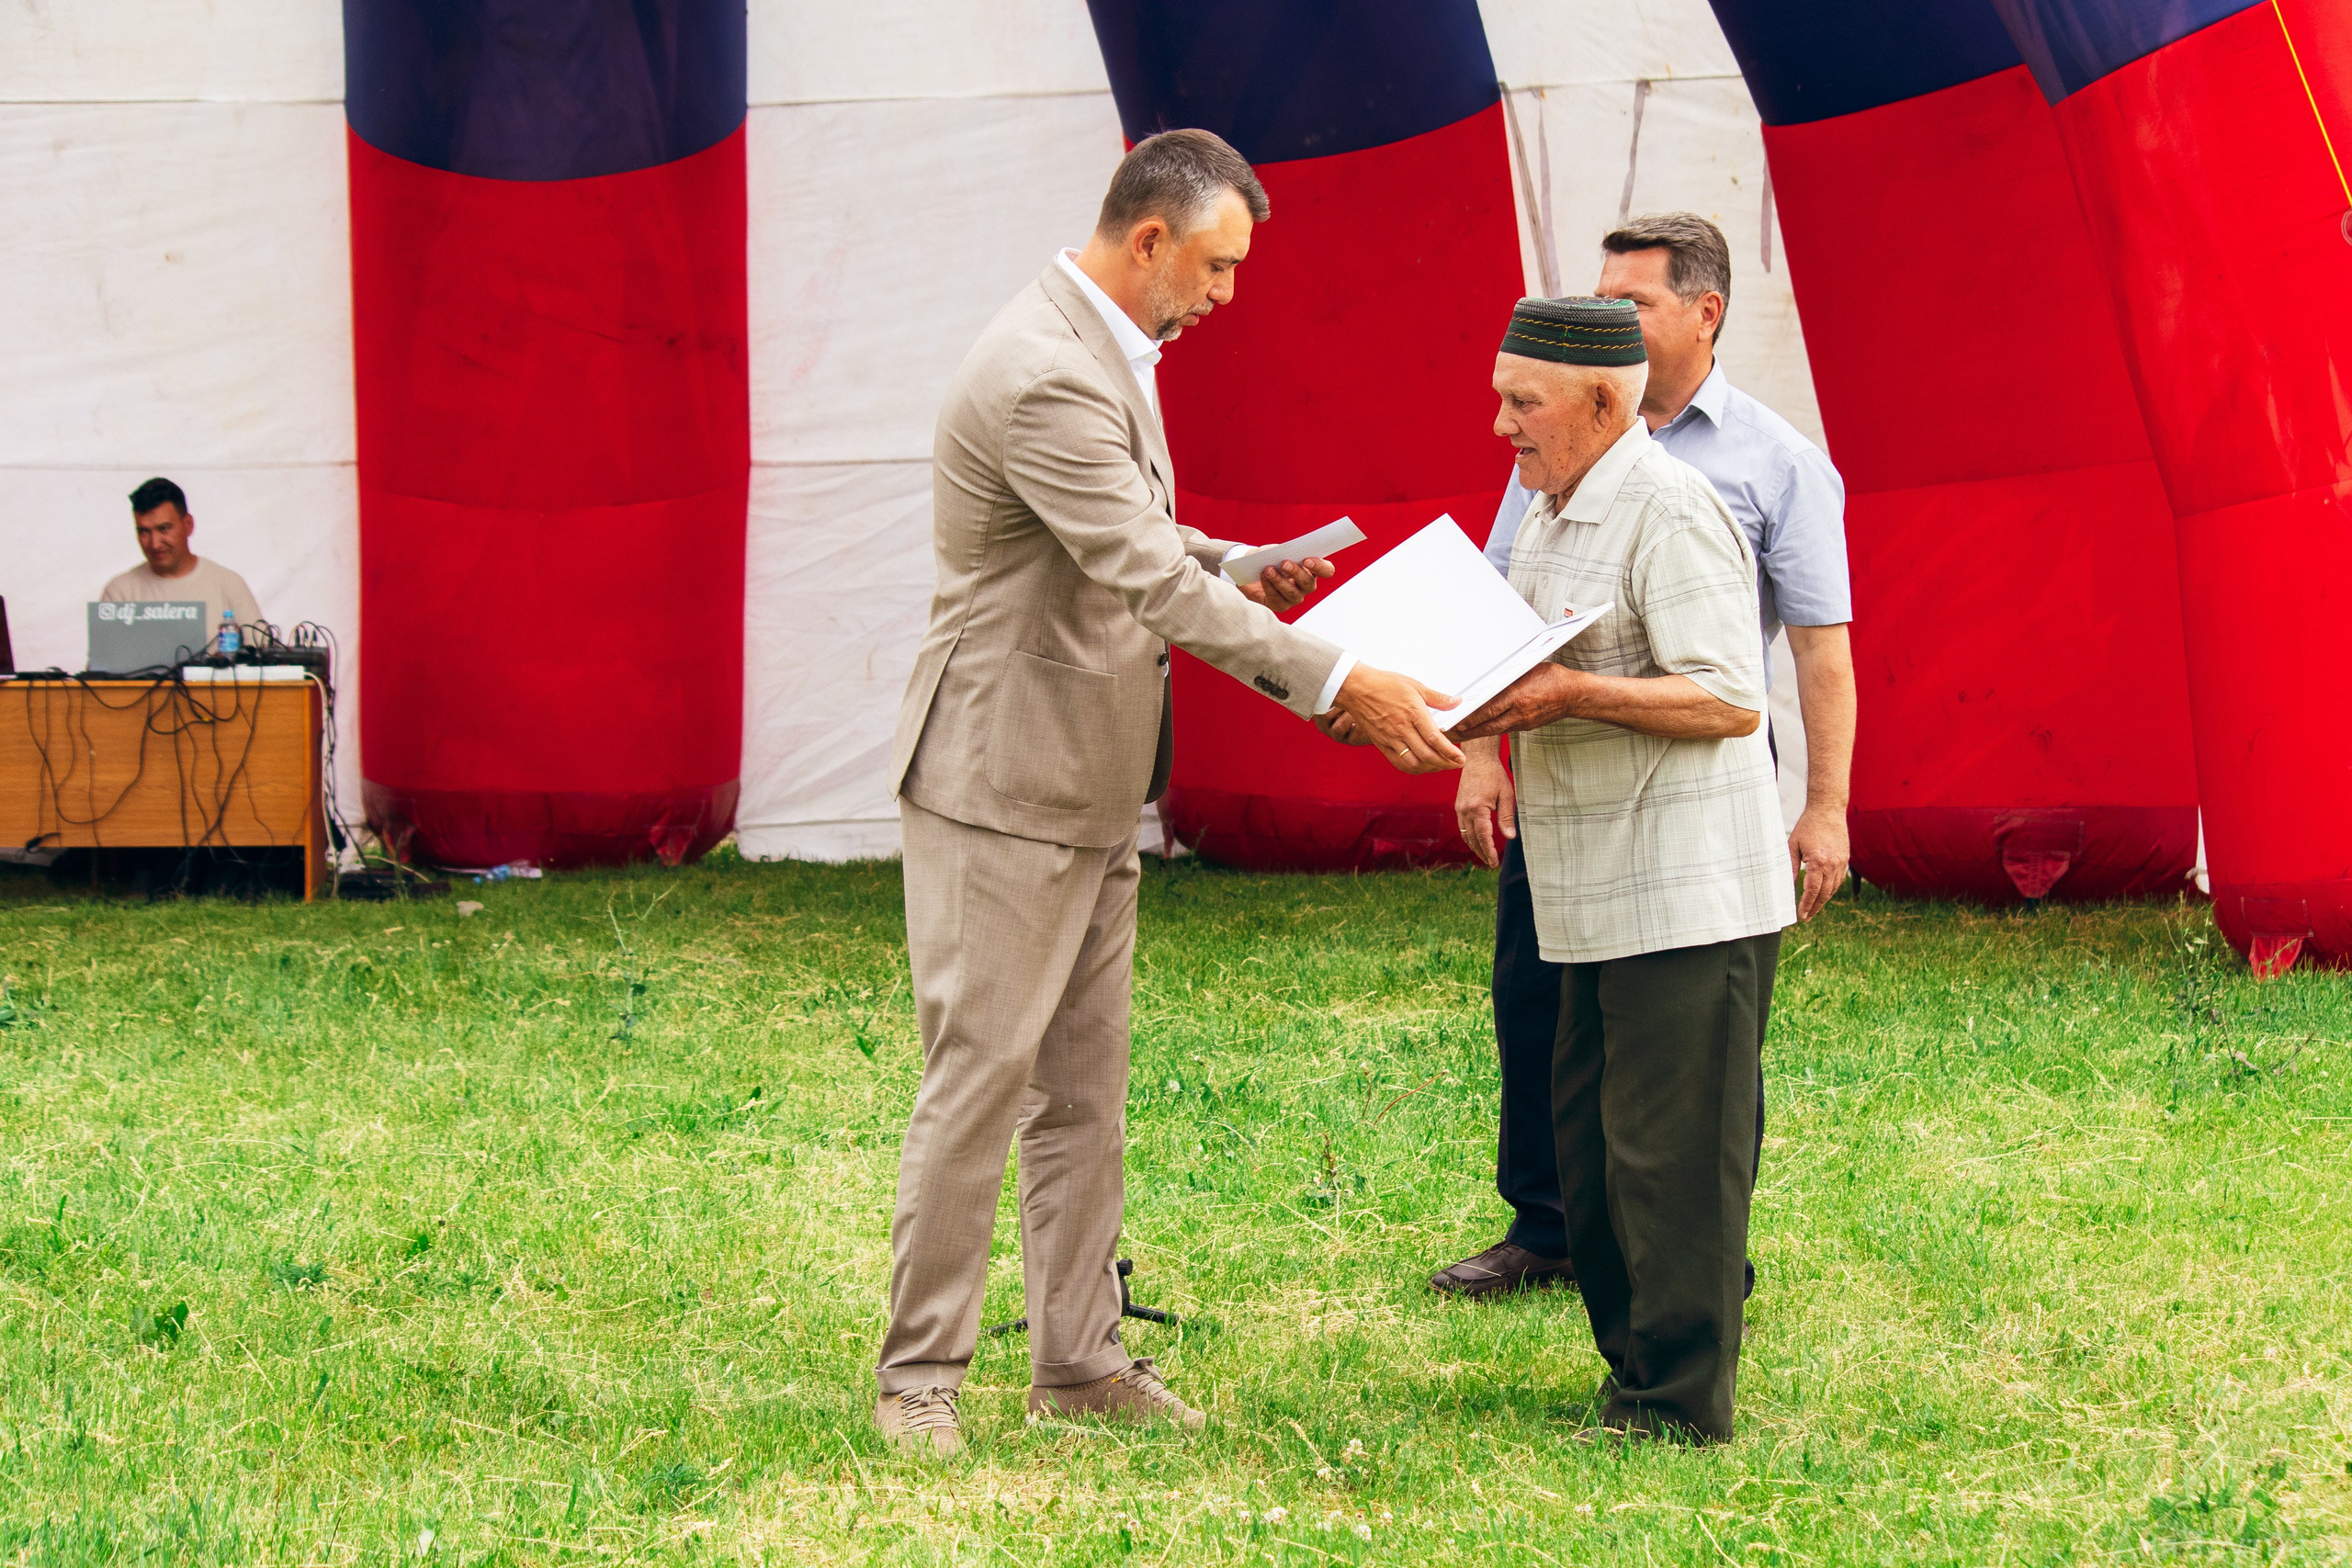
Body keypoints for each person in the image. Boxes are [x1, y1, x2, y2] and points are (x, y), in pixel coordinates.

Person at [873, 129, 1459, 1457]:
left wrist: (1235, 555)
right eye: (1218, 265)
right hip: (1002, 778)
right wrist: (1339, 680)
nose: (1225, 294)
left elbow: (1127, 531)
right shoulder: (1044, 375)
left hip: (1081, 777)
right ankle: (919, 1379)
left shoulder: (1090, 348)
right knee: (980, 1080)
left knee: (1082, 1093)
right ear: (1149, 240)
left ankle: (1078, 1361)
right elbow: (1146, 578)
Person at [1430, 214, 1853, 1300]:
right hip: (1563, 791)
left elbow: (1816, 653)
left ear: (1705, 313)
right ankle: (1552, 1227)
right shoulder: (1550, 438)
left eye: (1635, 301)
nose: (1609, 313)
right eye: (1603, 295)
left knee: (1687, 1046)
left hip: (1693, 794)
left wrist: (1825, 809)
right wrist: (1482, 758)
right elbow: (1495, 613)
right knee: (1543, 1006)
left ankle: (1700, 1257)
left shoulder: (1776, 464)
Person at [1452, 295, 1792, 1442]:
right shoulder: (1552, 508)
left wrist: (1567, 693)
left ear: (1604, 400)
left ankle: (1677, 1404)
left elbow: (1730, 697)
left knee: (1671, 1165)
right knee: (1594, 1161)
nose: (1498, 424)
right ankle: (1632, 1373)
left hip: (1686, 897)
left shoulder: (1670, 508)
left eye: (1519, 401)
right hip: (1587, 887)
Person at [102, 478, 263, 647]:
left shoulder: (229, 584)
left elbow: (264, 660)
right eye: (144, 532)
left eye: (163, 529)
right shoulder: (119, 593)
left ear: (188, 525)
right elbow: (103, 669)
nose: (154, 543)